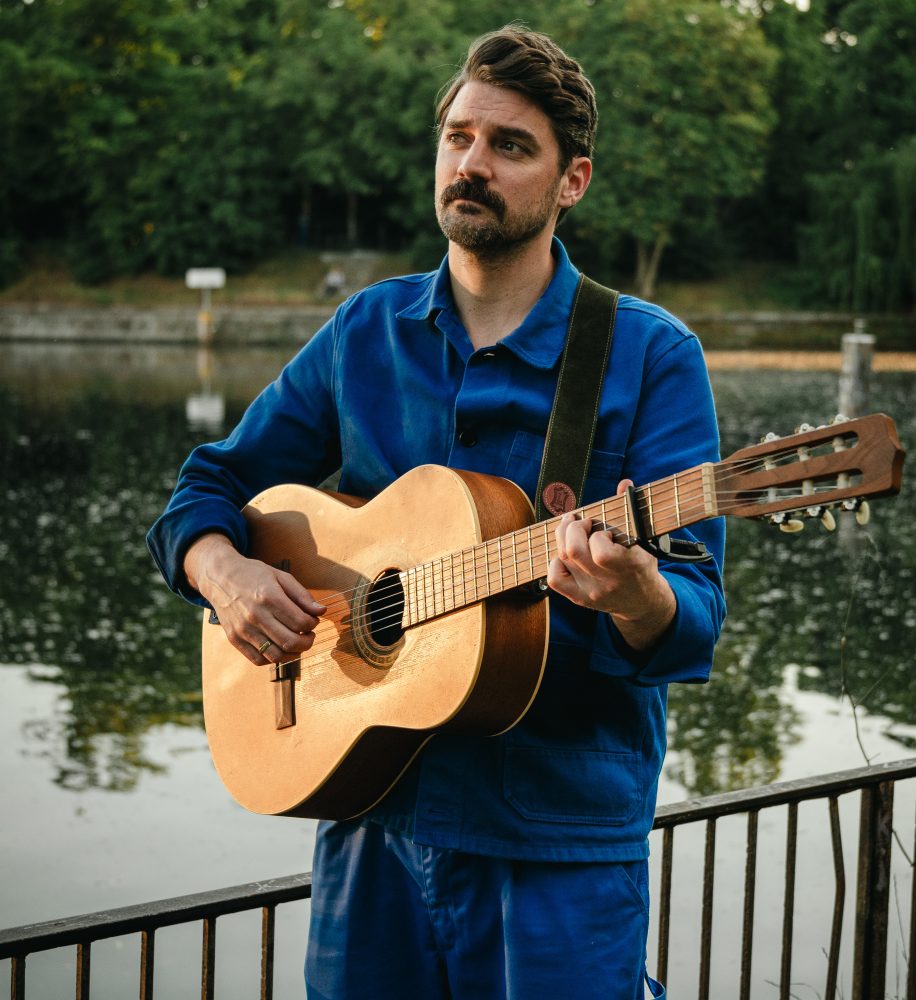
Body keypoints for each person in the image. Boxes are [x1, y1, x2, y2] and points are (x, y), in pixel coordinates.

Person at [147, 25, 725, 1000]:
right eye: (458, 136)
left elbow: (695, 615)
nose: (472, 162)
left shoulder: (648, 353)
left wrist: (636, 596)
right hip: (371, 822)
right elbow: (205, 490)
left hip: (558, 845)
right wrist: (225, 572)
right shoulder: (364, 331)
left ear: (571, 179)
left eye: (510, 145)